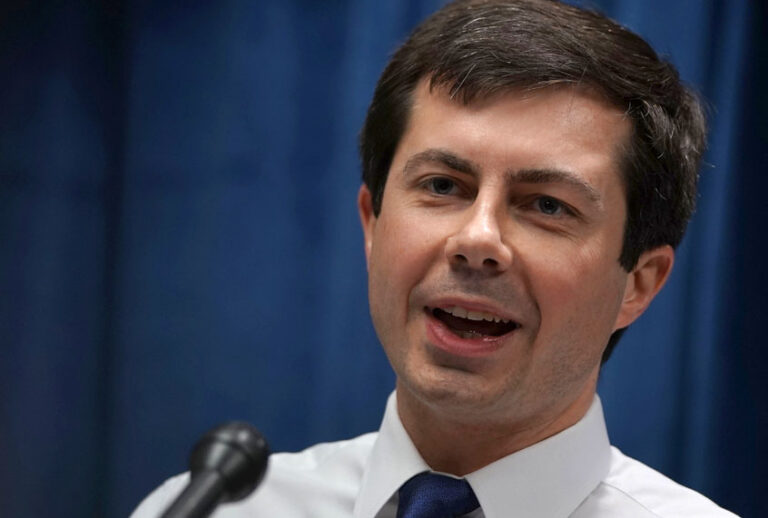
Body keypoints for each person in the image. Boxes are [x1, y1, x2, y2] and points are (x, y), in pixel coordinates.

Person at [132, 0, 737, 516]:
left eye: (547, 205)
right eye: (443, 186)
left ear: (639, 283)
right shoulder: (211, 508)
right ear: (372, 224)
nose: (477, 240)